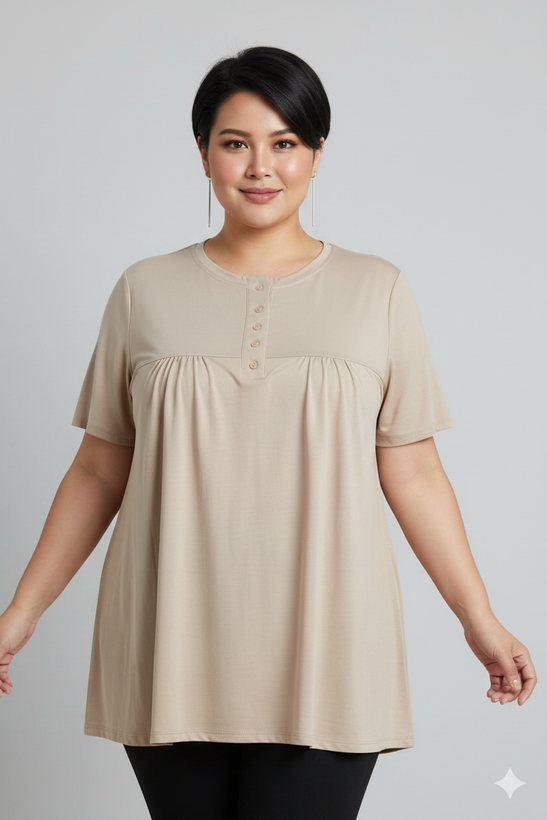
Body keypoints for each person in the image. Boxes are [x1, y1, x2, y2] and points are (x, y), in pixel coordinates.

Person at [0, 45, 537, 820]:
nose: (260, 166)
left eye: (284, 142)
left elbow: (413, 471)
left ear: (316, 153)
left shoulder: (376, 290)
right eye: (235, 142)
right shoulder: (143, 290)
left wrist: (477, 621)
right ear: (202, 154)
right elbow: (98, 470)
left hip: (328, 645)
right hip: (169, 640)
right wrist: (19, 614)